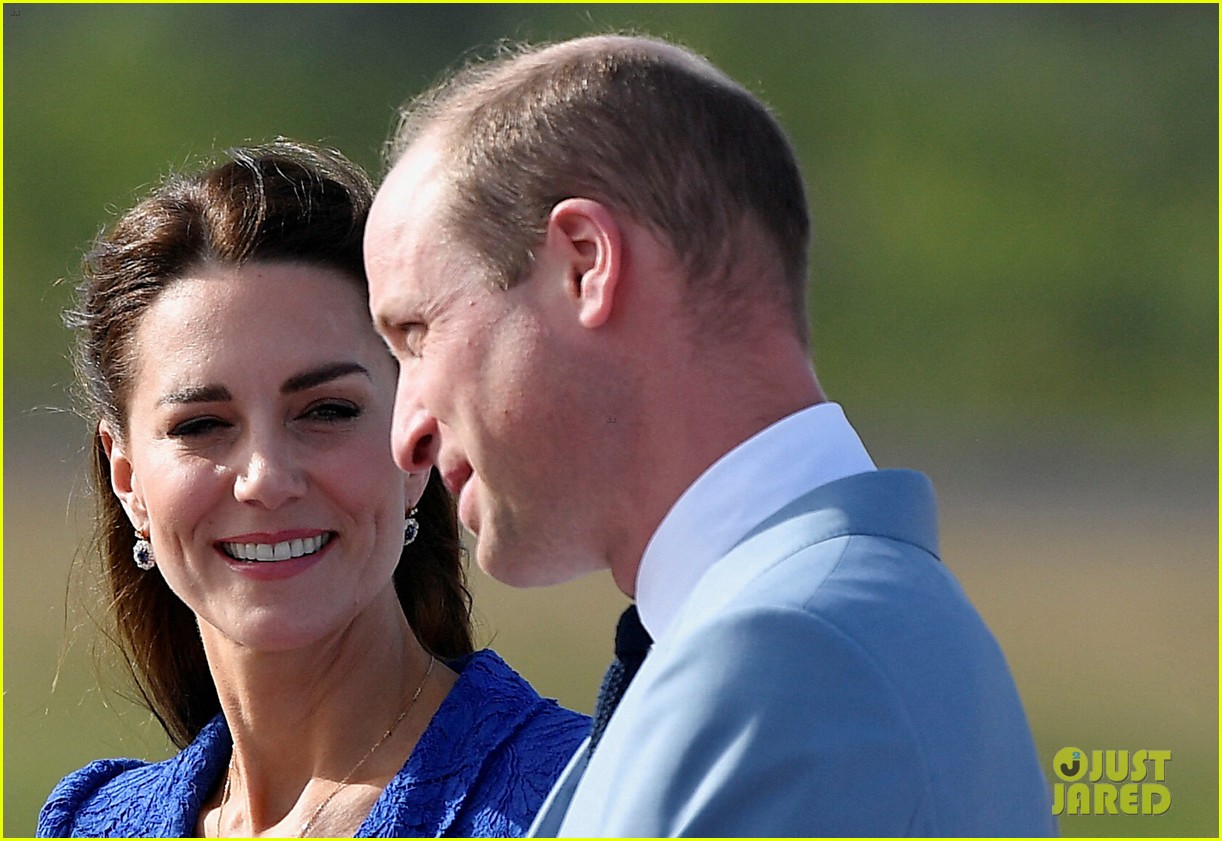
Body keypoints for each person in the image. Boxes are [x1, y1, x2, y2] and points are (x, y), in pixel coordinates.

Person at [364, 34, 1057, 836]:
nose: (405, 432)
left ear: (586, 262)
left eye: (417, 334)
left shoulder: (785, 658)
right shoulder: (834, 624)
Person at [37, 141, 589, 838]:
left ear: (418, 440)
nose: (266, 477)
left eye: (326, 411)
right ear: (128, 479)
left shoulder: (585, 799)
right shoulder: (93, 823)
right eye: (203, 424)